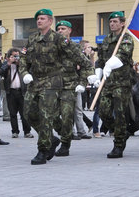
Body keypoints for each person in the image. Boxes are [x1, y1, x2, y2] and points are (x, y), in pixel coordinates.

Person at [19, 9, 96, 164]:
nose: (39, 21)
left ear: (50, 21)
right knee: (28, 114)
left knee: (46, 116)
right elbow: (23, 59)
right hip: (35, 82)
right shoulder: (32, 39)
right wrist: (24, 72)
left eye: (42, 18)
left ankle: (43, 149)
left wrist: (89, 73)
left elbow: (78, 55)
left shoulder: (59, 39)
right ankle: (52, 140)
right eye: (37, 19)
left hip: (52, 82)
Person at [95, 12, 136, 158]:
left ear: (122, 23)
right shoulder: (106, 40)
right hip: (107, 82)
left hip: (122, 82)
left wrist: (110, 64)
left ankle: (118, 145)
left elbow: (123, 56)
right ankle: (122, 133)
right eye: (110, 21)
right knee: (104, 112)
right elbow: (100, 59)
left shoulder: (126, 39)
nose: (112, 23)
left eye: (115, 21)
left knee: (120, 114)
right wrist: (97, 74)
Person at [53, 20, 94, 156]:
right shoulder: (51, 46)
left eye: (63, 28)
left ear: (69, 31)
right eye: (58, 28)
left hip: (68, 87)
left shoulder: (74, 47)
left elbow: (86, 65)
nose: (60, 31)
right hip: (51, 86)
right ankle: (63, 135)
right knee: (49, 116)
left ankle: (65, 145)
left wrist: (82, 83)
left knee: (66, 117)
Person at [0, 48, 31, 139]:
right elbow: (1, 72)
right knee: (12, 114)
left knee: (24, 114)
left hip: (21, 92)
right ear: (9, 57)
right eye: (13, 56)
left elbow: (30, 69)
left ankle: (27, 132)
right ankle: (15, 132)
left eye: (17, 56)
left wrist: (20, 63)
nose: (16, 58)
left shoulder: (22, 65)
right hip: (11, 92)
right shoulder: (6, 64)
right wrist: (8, 64)